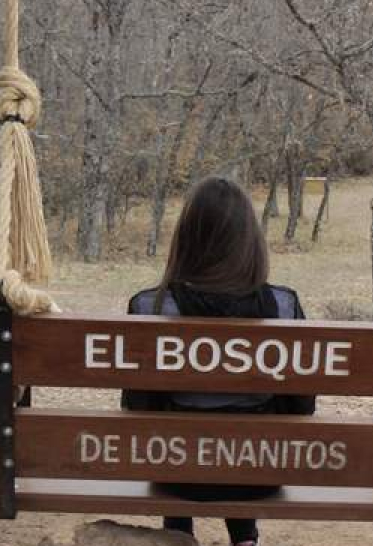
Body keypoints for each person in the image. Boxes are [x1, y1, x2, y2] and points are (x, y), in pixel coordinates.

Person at [122, 176, 314, 546]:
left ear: (187, 240)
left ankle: (177, 534)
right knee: (245, 441)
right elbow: (300, 407)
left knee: (176, 438)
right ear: (250, 243)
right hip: (258, 474)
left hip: (175, 471)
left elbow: (138, 407)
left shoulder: (151, 308)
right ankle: (245, 538)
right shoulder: (283, 307)